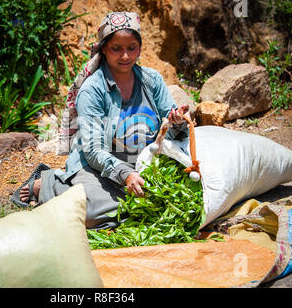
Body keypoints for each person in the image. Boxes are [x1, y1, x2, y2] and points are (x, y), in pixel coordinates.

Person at [13, 12, 191, 230]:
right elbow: (94, 151)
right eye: (117, 48)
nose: (125, 56)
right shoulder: (92, 90)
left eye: (131, 47)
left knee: (179, 197)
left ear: (140, 48)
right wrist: (125, 174)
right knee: (91, 211)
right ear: (104, 49)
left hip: (145, 165)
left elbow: (172, 130)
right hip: (99, 168)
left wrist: (178, 121)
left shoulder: (152, 80)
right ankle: (49, 184)